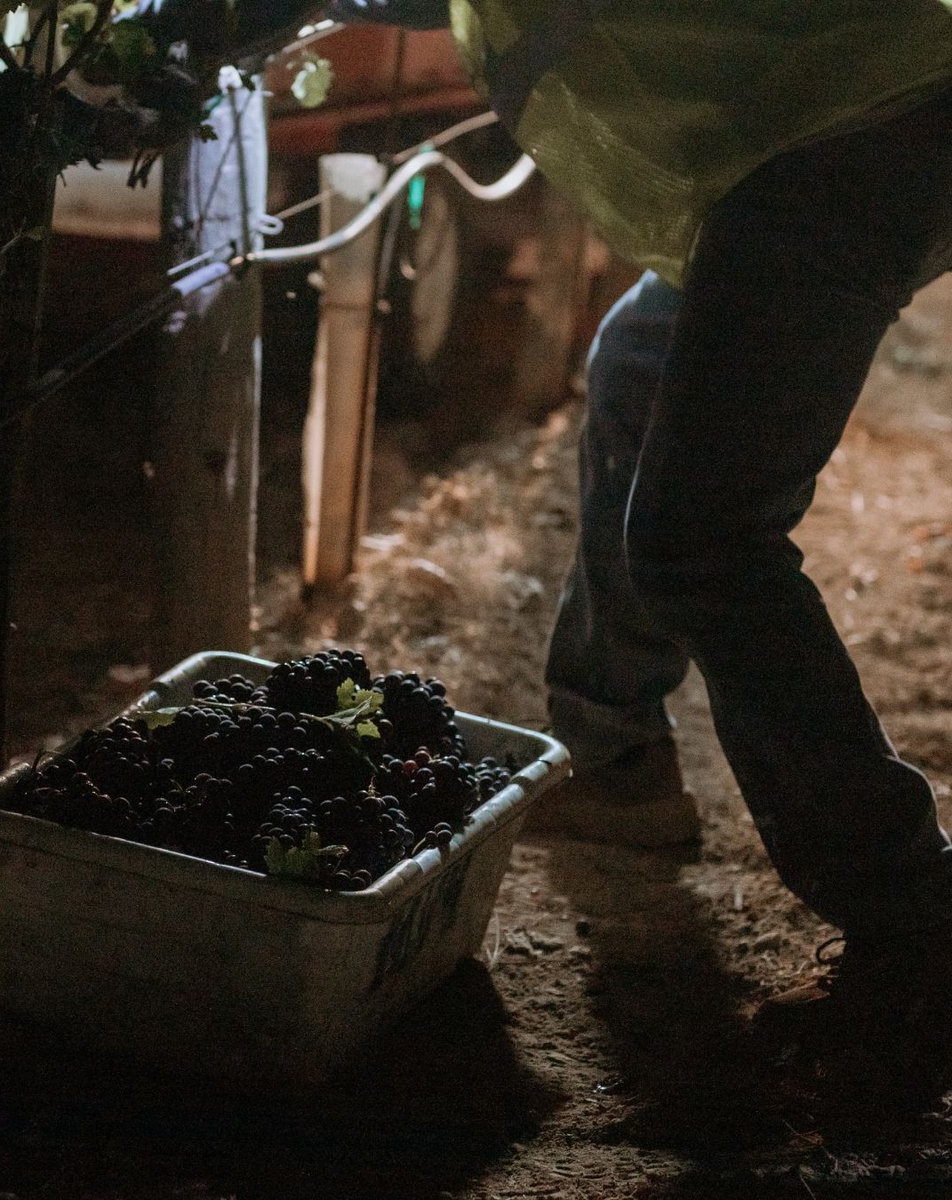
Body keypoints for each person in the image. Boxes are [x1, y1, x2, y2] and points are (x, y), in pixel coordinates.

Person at [325, 0, 952, 1111]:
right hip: (846, 120)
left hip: (851, 134)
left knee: (703, 543)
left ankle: (918, 932)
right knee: (638, 365)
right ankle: (617, 764)